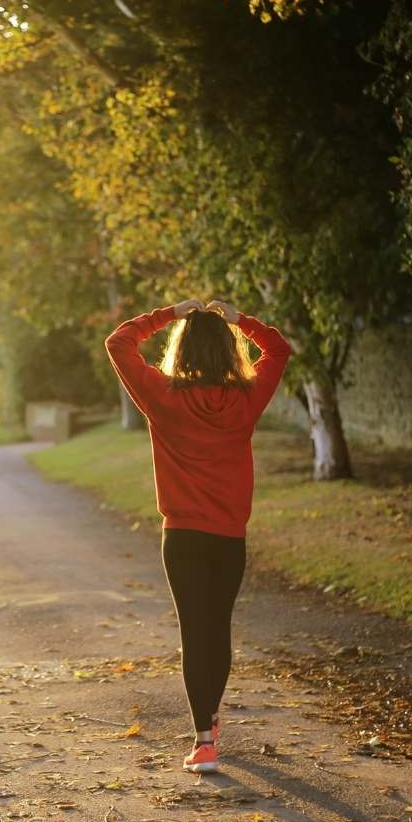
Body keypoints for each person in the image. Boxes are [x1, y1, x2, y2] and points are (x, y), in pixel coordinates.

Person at [104, 298, 292, 773]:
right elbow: (279, 349)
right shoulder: (246, 398)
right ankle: (209, 718)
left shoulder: (162, 396)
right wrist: (240, 320)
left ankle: (204, 740)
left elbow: (118, 342)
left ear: (181, 349)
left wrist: (170, 313)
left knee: (195, 631)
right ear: (229, 351)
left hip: (182, 537)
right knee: (218, 628)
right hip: (229, 537)